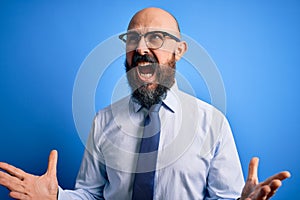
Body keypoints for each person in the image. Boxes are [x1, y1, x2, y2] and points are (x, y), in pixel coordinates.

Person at [0, 7, 290, 200]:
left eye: (155, 38)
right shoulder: (103, 121)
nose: (140, 48)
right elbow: (91, 194)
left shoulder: (211, 124)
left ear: (179, 50)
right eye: (133, 39)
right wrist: (57, 197)